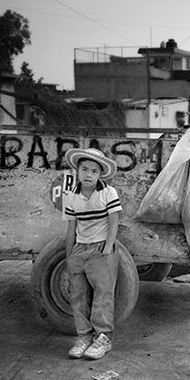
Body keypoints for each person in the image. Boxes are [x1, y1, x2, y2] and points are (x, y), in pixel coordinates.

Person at [63, 148, 123, 360]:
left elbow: (114, 222)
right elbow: (71, 228)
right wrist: (70, 256)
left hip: (100, 249)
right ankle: (83, 336)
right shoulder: (71, 197)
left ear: (100, 174)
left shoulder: (108, 193)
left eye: (94, 171)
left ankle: (103, 338)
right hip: (79, 249)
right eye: (85, 169)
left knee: (102, 294)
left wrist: (107, 248)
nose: (88, 174)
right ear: (77, 171)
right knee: (78, 295)